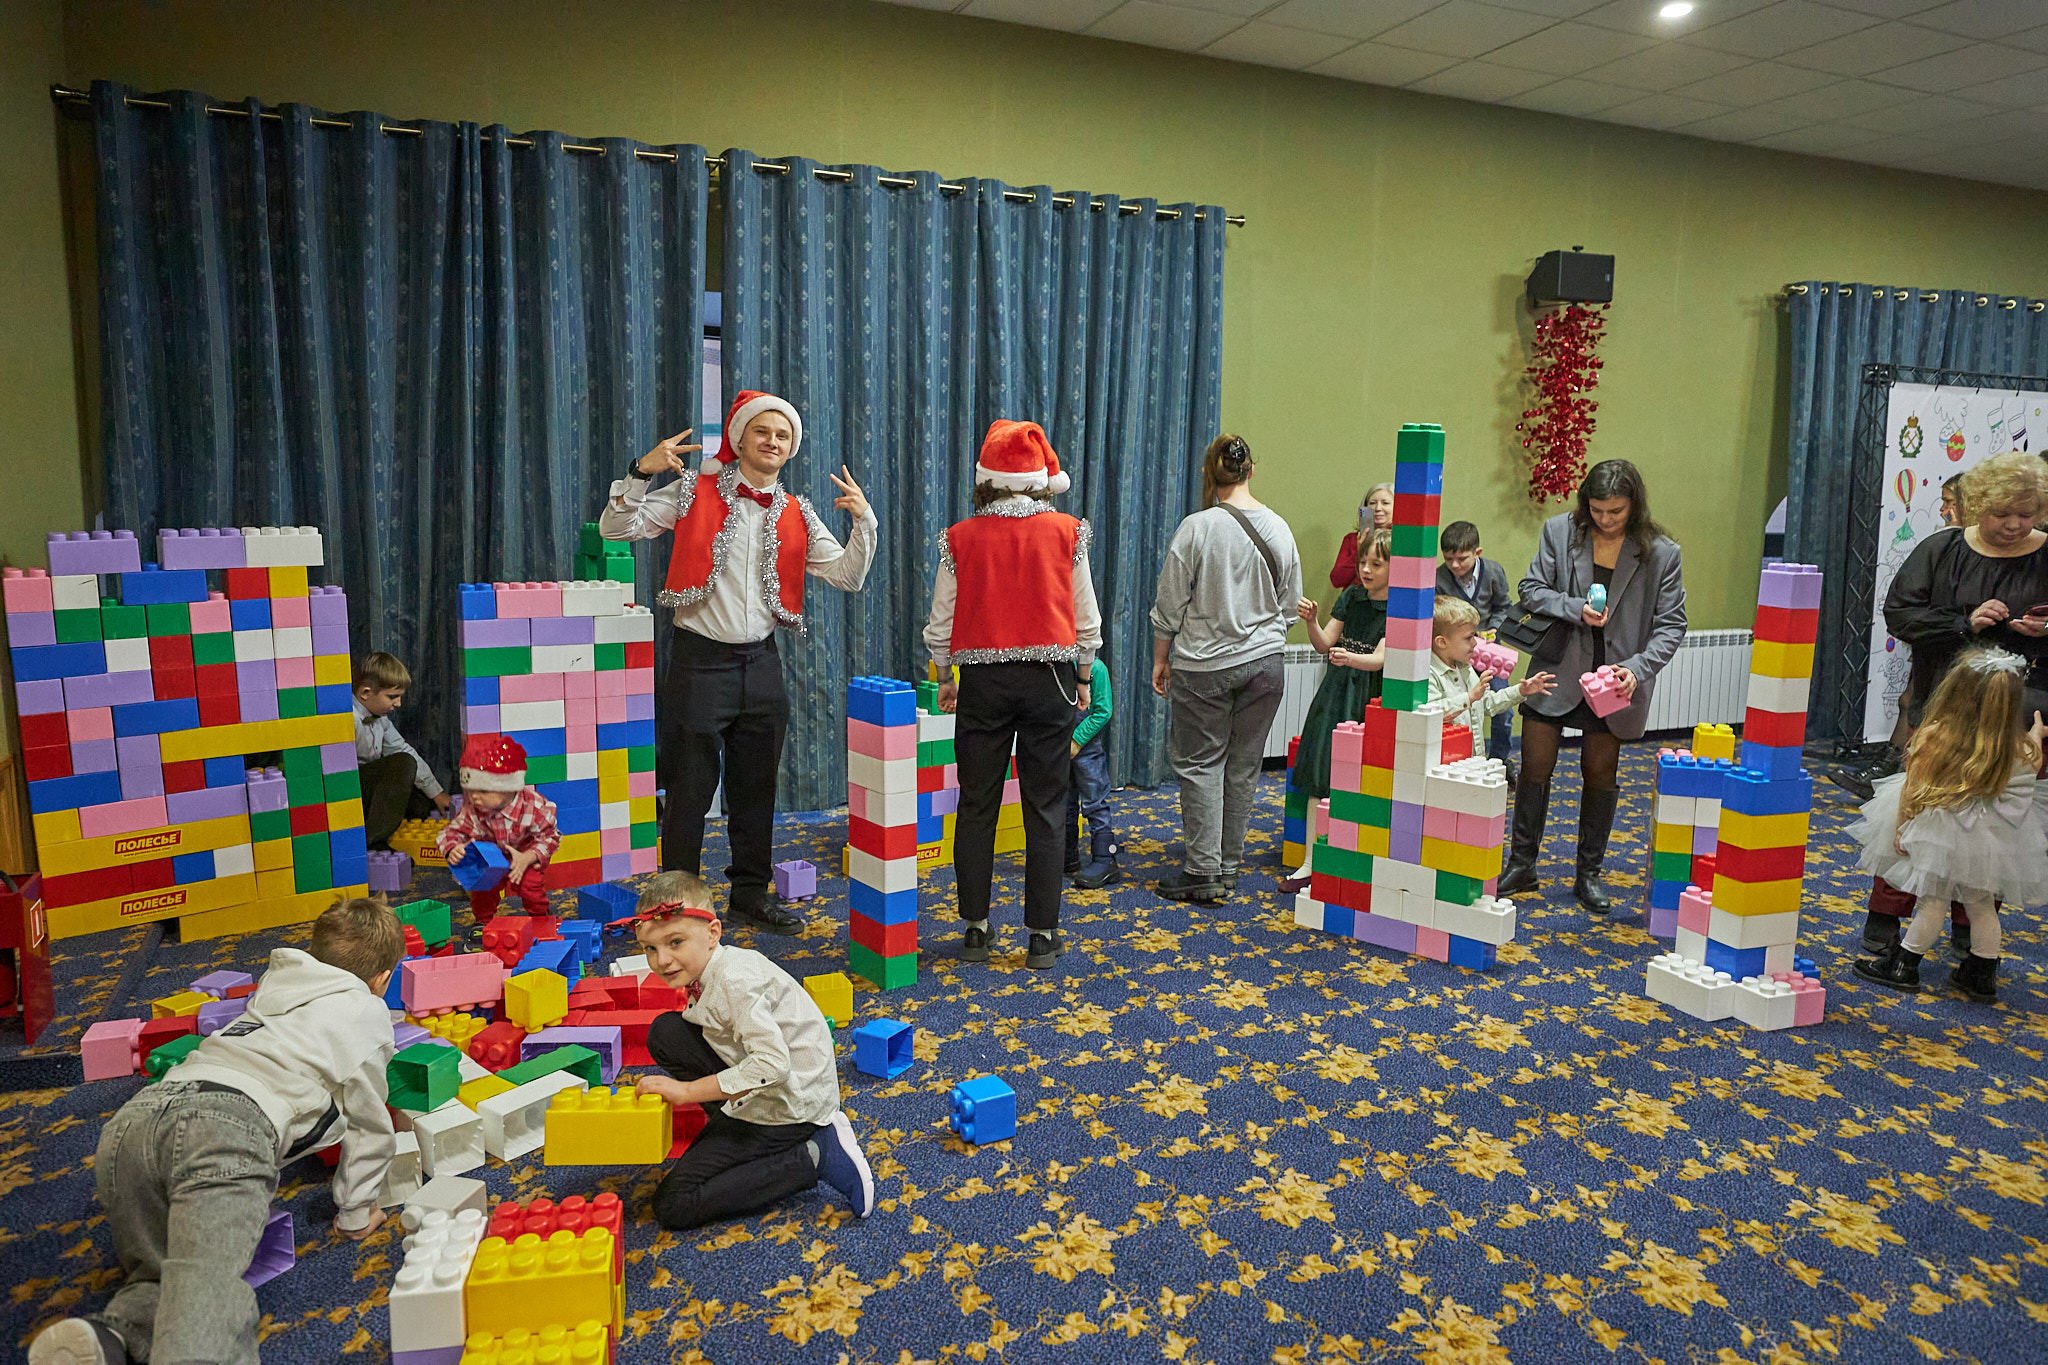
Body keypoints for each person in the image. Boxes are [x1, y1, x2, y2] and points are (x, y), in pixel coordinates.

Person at [30, 898, 404, 1365]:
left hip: (134, 1123)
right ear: (382, 979)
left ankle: (111, 1339)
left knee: (169, 1271)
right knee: (212, 1301)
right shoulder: (366, 1011)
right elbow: (368, 1124)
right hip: (226, 1131)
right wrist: (356, 1212)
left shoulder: (277, 987)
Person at [599, 391, 877, 934]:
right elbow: (617, 528)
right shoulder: (692, 491)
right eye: (762, 432)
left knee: (756, 789)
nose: (772, 442)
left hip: (762, 665)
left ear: (790, 448)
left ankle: (750, 895)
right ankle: (676, 901)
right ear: (739, 439)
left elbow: (847, 575)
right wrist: (640, 473)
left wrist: (864, 521)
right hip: (699, 664)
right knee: (689, 791)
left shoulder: (798, 512)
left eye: (782, 436)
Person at [1854, 451, 2048, 953]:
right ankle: (1886, 916)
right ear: (1978, 505)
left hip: (2015, 713)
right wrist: (1965, 622)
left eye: (2026, 515)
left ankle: (1972, 925)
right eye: (2002, 514)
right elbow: (1901, 615)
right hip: (1945, 705)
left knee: (1994, 824)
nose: (2014, 525)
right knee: (1916, 811)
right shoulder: (1942, 549)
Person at [926, 420, 1100, 969]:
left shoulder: (960, 536)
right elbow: (1086, 617)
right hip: (1050, 679)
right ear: (1039, 479)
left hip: (982, 684)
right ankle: (1042, 936)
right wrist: (1084, 676)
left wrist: (946, 676)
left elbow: (941, 621)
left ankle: (975, 930)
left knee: (977, 802)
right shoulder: (1068, 531)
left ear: (987, 479)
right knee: (1046, 805)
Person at [629, 872, 875, 1227]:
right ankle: (735, 1128)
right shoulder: (713, 968)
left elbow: (773, 1065)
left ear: (713, 933)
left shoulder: (733, 982)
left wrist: (688, 1091)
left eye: (675, 942)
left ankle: (814, 1155)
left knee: (674, 1204)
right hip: (780, 1079)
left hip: (790, 1105)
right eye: (650, 948)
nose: (661, 960)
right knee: (666, 1033)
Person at [1498, 459, 1687, 914]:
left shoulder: (1662, 553)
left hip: (1614, 682)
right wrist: (1573, 606)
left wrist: (1638, 669)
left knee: (1599, 773)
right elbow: (1531, 589)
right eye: (1598, 510)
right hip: (1557, 670)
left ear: (1634, 506)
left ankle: (1588, 874)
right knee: (1534, 765)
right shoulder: (1559, 531)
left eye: (1616, 511)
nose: (1606, 519)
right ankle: (1522, 864)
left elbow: (1672, 625)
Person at [1150, 434, 1302, 904]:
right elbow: (1290, 608)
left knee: (1201, 763)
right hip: (1267, 666)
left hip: (1204, 667)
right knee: (1243, 766)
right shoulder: (1279, 528)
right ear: (1251, 470)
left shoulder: (1196, 528)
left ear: (1208, 474)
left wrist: (1160, 659)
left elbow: (1169, 605)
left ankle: (1203, 869)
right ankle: (1229, 866)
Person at [1849, 648, 2048, 1004]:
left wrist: (1902, 829)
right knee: (1981, 903)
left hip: (1941, 835)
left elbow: (1913, 791)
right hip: (1990, 838)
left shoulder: (1936, 737)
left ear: (1956, 692)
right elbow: (2027, 772)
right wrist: (2035, 735)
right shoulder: (2019, 748)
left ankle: (1904, 965)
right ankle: (1981, 974)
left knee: (1932, 901)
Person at [1280, 528, 1389, 892]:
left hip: (1368, 697)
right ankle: (1311, 862)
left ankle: (1353, 861)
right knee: (1320, 770)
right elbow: (1325, 643)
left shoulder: (1399, 610)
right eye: (1363, 562)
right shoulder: (1352, 596)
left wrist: (1349, 657)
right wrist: (1312, 621)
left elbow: (1379, 659)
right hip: (1337, 692)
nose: (1366, 570)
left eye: (1376, 564)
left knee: (1362, 780)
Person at [437, 734, 560, 935]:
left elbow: (551, 837)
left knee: (531, 887)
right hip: (490, 858)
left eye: (483, 791)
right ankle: (483, 922)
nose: (475, 797)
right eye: (471, 791)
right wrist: (452, 848)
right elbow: (450, 832)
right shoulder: (474, 809)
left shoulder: (533, 806)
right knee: (482, 887)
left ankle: (541, 917)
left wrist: (529, 857)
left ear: (507, 788)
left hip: (523, 855)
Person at [352, 651, 451, 850]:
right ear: (365, 693)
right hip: (348, 790)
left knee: (420, 805)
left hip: (366, 788)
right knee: (402, 763)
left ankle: (379, 826)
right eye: (392, 697)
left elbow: (401, 747)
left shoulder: (380, 718)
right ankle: (373, 841)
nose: (398, 704)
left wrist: (437, 793)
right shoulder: (349, 718)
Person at [1436, 521, 1515, 766]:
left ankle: (1500, 761)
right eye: (1449, 559)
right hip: (1457, 656)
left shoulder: (1493, 572)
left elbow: (1504, 606)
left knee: (1502, 709)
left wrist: (1495, 629)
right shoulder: (1439, 577)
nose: (1455, 565)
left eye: (1461, 559)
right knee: (1460, 706)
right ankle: (1463, 760)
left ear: (1477, 553)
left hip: (1489, 653)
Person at [1427, 597, 1555, 732]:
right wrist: (1469, 697)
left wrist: (1520, 691)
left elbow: (1487, 704)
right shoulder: (1429, 675)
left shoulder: (1465, 668)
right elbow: (1432, 713)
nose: (1475, 643)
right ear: (1442, 642)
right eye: (1469, 637)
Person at [1064, 652, 1120, 889]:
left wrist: (1077, 740)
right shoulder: (1059, 669)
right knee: (1064, 802)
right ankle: (1067, 856)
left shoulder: (1096, 669)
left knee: (1095, 802)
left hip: (1086, 750)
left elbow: (1103, 711)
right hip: (1061, 750)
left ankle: (1106, 859)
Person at [1326, 481, 1395, 590]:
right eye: (1372, 503)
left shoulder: (1400, 540)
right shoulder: (1352, 539)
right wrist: (1359, 551)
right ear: (1365, 508)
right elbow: (1337, 580)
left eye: (1385, 503)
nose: (1377, 508)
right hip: (1355, 598)